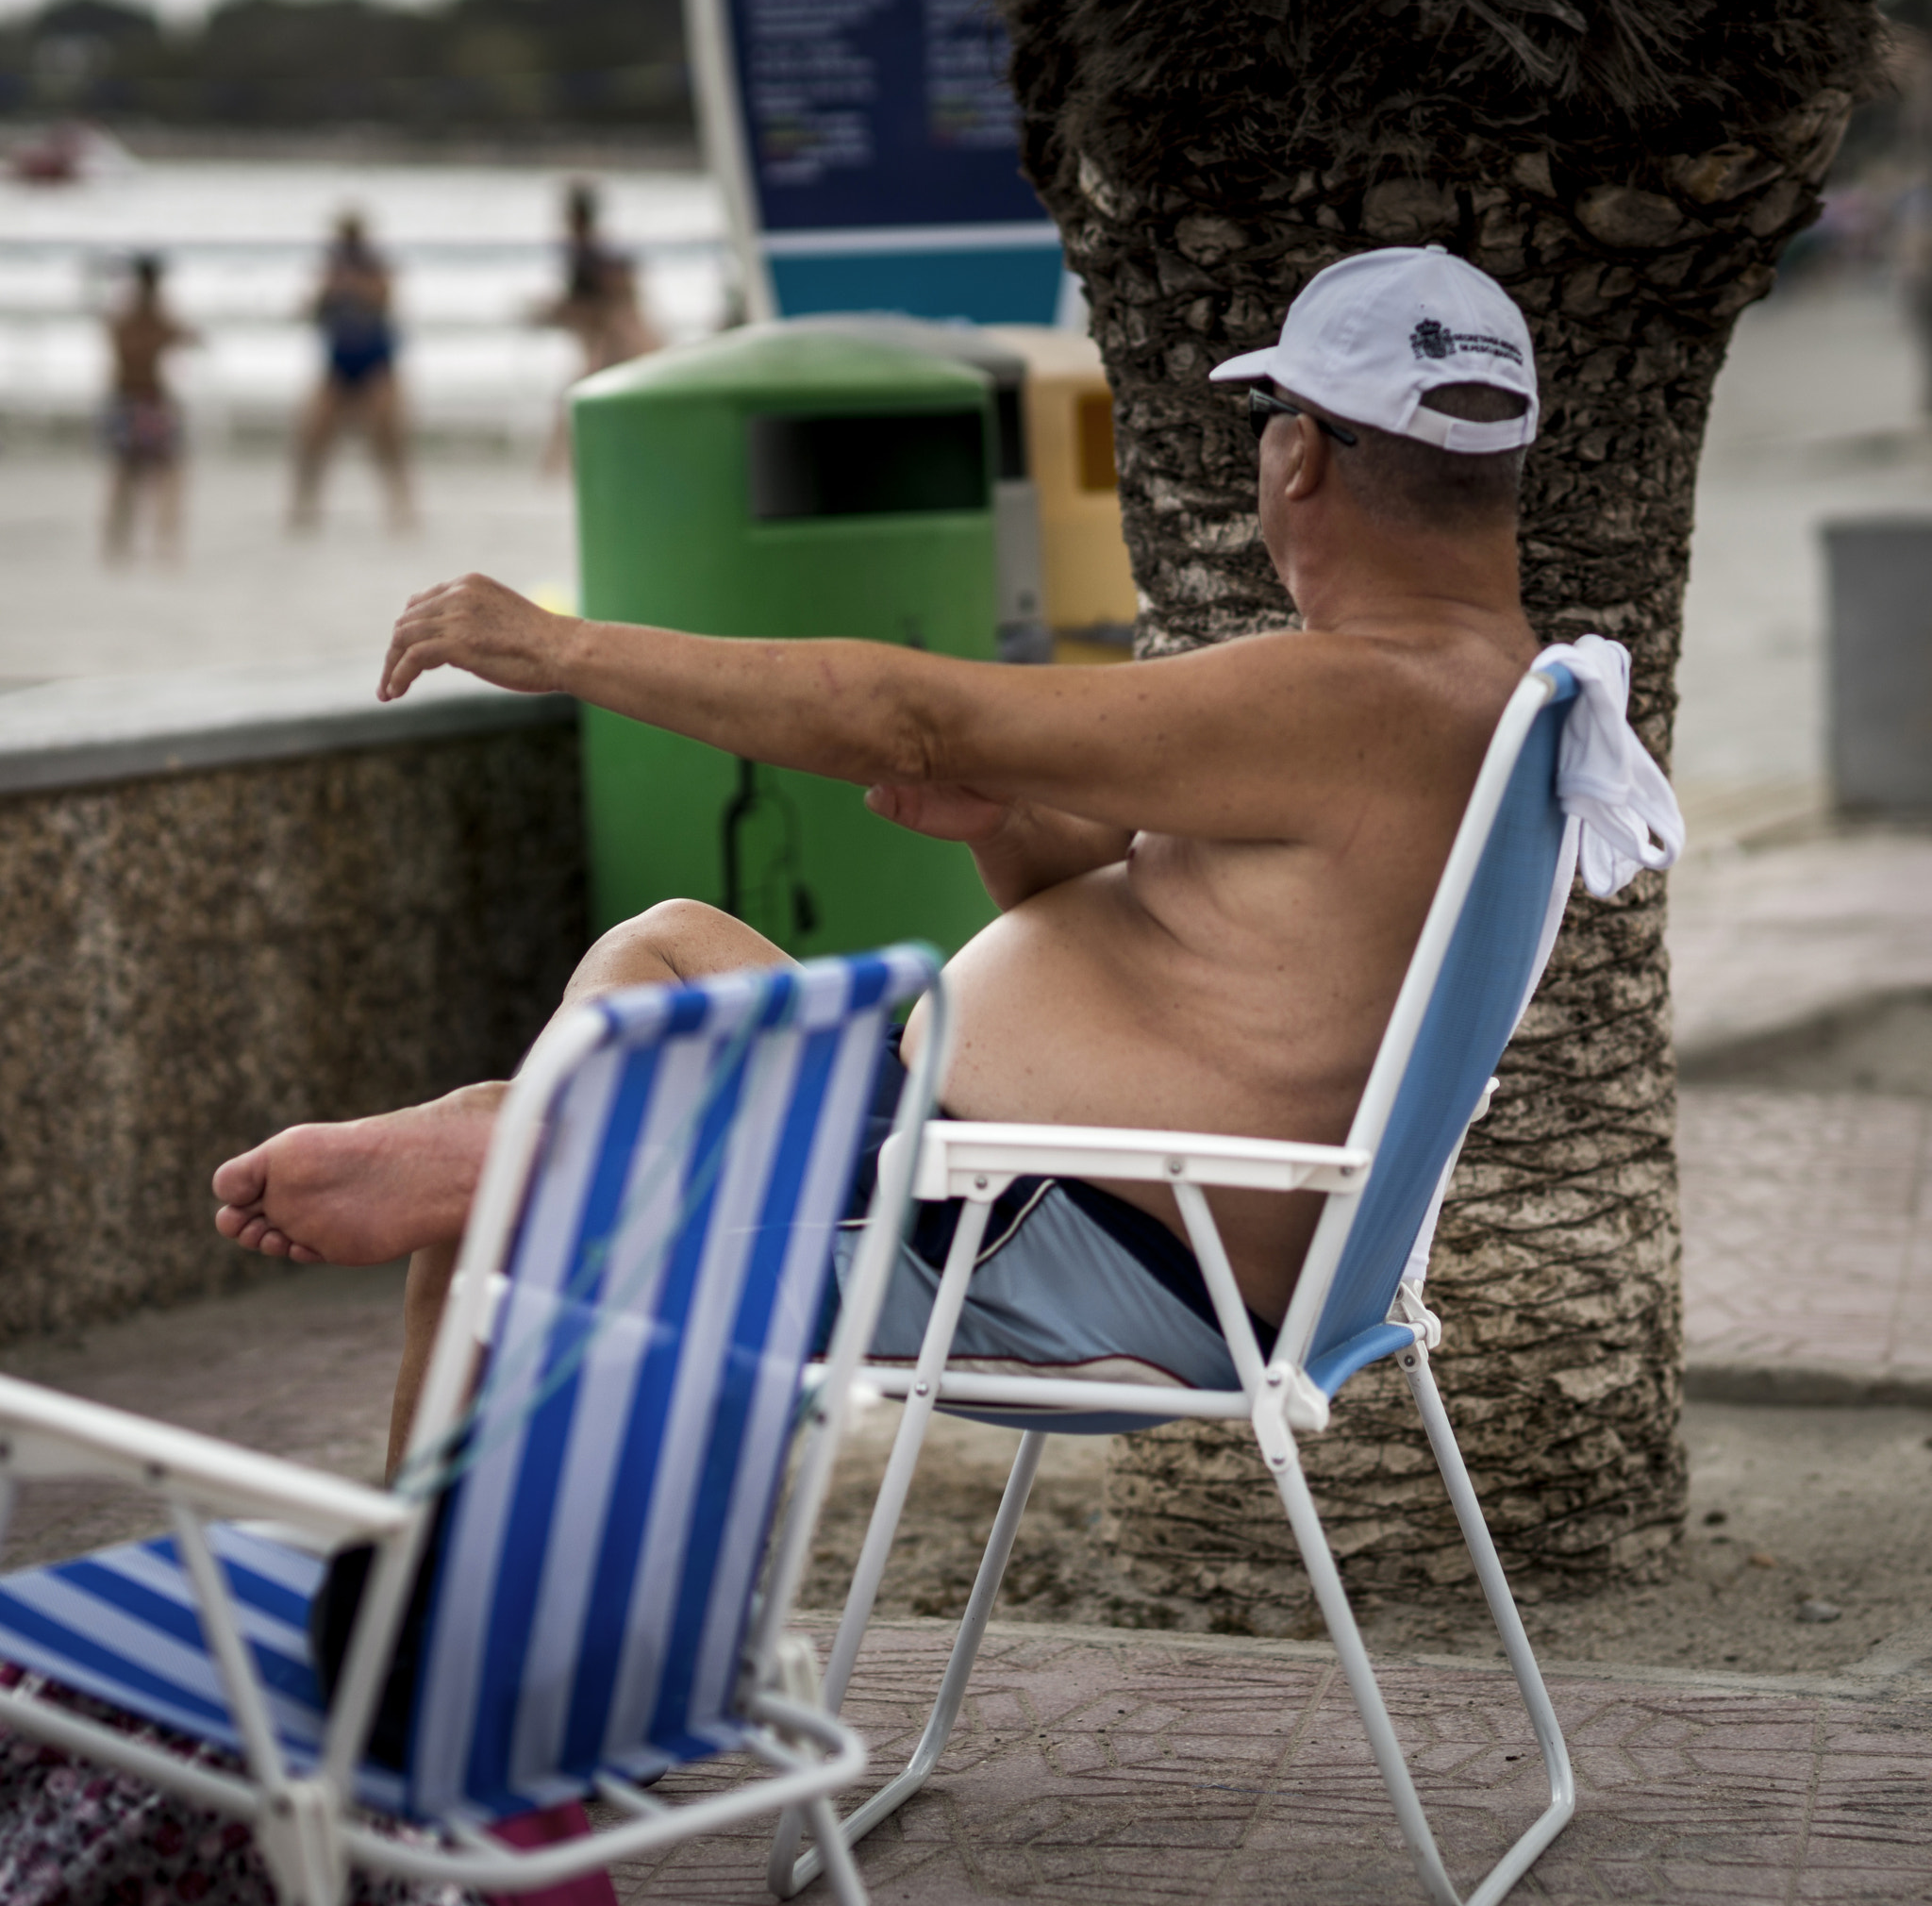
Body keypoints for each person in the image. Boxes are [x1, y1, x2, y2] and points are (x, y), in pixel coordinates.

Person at [212, 246, 1672, 1475]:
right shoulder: (1473, 687)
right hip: (1002, 1188)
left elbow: (912, 711)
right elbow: (1175, 941)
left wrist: (565, 646)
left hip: (1049, 1250)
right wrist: (1012, 826)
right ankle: (513, 1171)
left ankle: (442, 1621)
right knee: (667, 947)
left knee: (500, 1194)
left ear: (1298, 456)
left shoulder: (1360, 698)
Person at [291, 210, 415, 532]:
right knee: (314, 436)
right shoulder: (331, 269)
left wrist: (351, 286)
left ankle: (401, 508)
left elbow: (384, 303)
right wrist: (327, 292)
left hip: (376, 362)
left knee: (387, 439)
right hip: (339, 362)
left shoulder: (375, 267)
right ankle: (305, 508)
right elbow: (310, 312)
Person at [530, 180, 660, 473]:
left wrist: (551, 313)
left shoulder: (591, 255)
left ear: (574, 217)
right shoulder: (597, 253)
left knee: (576, 401)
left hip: (616, 343)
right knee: (581, 403)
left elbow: (605, 305)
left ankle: (554, 469)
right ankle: (556, 469)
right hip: (619, 341)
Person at [101, 253, 197, 564]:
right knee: (160, 473)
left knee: (131, 474)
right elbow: (180, 338)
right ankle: (156, 542)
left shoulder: (129, 312)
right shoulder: (145, 314)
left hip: (132, 399)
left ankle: (123, 543)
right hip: (145, 399)